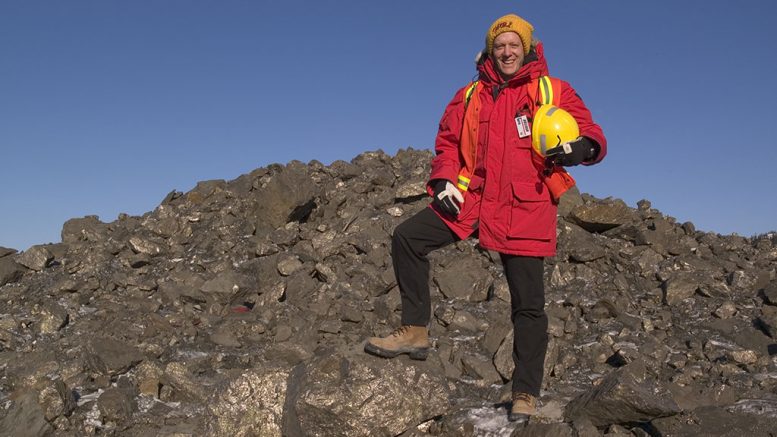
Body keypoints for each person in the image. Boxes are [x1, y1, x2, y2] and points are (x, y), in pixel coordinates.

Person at [364, 13, 607, 421]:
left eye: (514, 45)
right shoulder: (469, 95)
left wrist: (581, 149)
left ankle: (525, 393)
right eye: (500, 46)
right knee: (408, 237)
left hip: (523, 205)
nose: (507, 52)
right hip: (472, 199)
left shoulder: (553, 89)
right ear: (490, 51)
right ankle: (416, 330)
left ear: (526, 48)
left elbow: (593, 134)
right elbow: (446, 144)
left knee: (528, 305)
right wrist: (442, 181)